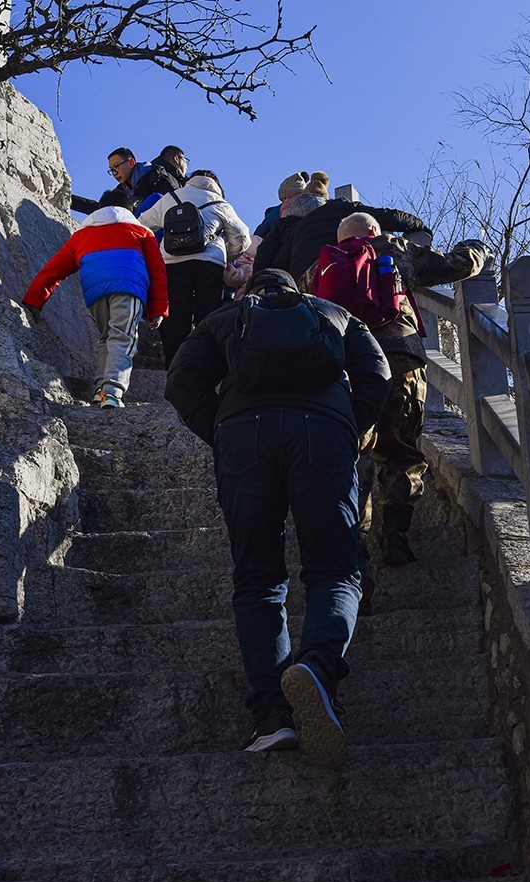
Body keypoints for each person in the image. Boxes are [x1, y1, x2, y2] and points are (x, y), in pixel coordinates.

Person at [165, 264, 391, 766]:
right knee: (335, 571)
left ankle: (273, 718)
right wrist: (348, 426)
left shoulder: (225, 317)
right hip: (325, 433)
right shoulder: (333, 314)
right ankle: (316, 668)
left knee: (259, 580)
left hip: (245, 437)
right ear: (297, 292)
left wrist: (221, 431)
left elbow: (180, 381)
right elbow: (378, 372)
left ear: (253, 290)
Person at [316, 210, 490, 573]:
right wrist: (477, 249)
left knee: (354, 455)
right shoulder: (393, 249)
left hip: (347, 367)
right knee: (401, 452)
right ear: (375, 231)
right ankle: (395, 538)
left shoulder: (321, 266)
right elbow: (457, 265)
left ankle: (355, 549)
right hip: (400, 358)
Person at [22, 203, 169, 408]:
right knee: (123, 337)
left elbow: (53, 270)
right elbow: (157, 271)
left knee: (107, 337)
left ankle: (101, 391)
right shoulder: (141, 232)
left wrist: (33, 301)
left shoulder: (81, 236)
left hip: (95, 293)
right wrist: (158, 309)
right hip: (129, 287)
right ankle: (113, 391)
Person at [140, 169, 251, 366]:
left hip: (172, 262)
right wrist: (227, 255)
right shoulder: (220, 203)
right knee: (207, 315)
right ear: (216, 185)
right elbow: (242, 238)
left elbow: (143, 224)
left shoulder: (170, 197)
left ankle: (174, 365)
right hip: (209, 265)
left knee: (176, 315)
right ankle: (203, 364)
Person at [255, 190, 427, 288]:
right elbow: (386, 216)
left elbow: (275, 260)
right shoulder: (342, 207)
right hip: (345, 277)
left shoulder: (297, 229)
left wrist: (257, 284)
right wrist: (419, 225)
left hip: (305, 287)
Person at [71, 145, 187, 216]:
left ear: (131, 162)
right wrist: (69, 199)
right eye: (111, 170)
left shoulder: (156, 177)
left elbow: (176, 203)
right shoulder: (121, 191)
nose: (115, 173)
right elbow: (103, 210)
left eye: (117, 166)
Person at [253, 170, 329, 237]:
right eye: (283, 200)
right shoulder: (313, 205)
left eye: (287, 198)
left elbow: (259, 233)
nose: (285, 202)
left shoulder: (275, 212)